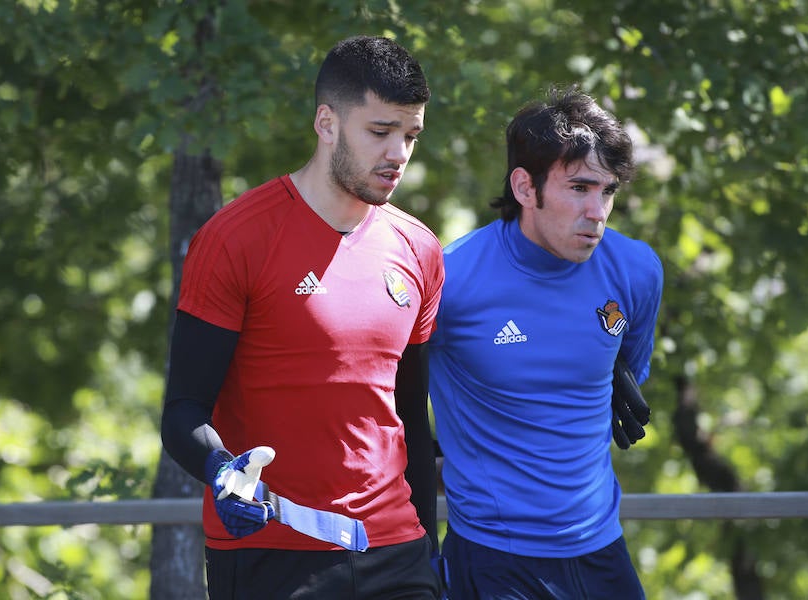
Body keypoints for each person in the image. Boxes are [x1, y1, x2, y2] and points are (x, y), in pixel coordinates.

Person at [160, 35, 444, 599]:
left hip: (396, 551)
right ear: (327, 122)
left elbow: (410, 416)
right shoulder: (235, 238)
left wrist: (429, 549)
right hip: (273, 548)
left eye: (410, 135)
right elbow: (182, 410)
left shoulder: (419, 249)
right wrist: (223, 473)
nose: (398, 155)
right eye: (380, 132)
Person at [427, 86, 663, 599]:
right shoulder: (449, 279)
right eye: (579, 188)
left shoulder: (636, 270)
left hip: (602, 547)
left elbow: (624, 373)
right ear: (524, 186)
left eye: (608, 191)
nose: (597, 211)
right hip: (494, 556)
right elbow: (389, 409)